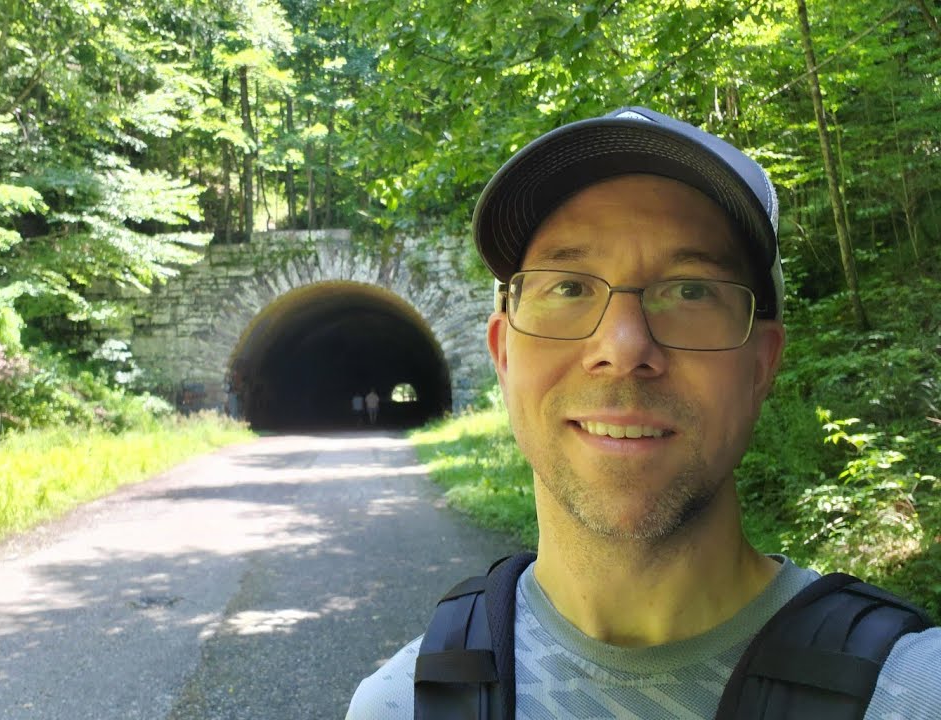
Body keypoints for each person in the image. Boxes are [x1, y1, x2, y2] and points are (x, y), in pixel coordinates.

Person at [345, 106, 940, 718]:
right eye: (570, 287)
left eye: (689, 291)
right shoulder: (396, 706)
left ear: (762, 363)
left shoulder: (915, 694)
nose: (624, 348)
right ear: (503, 353)